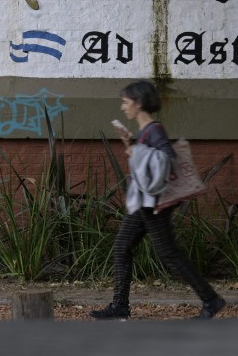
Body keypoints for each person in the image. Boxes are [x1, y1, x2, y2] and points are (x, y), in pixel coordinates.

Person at [91, 80, 225, 320]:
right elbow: (147, 160)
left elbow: (166, 156)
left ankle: (211, 299)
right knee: (122, 248)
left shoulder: (155, 129)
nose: (123, 107)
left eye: (126, 102)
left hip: (154, 204)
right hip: (144, 201)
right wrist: (130, 144)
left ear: (139, 103)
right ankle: (120, 305)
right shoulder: (145, 132)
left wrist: (136, 150)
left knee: (168, 253)